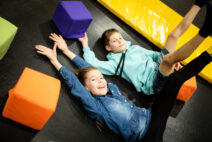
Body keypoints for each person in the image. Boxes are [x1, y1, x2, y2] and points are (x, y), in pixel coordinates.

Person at [35, 34, 212, 141]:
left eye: (100, 78)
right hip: (146, 137)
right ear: (87, 89)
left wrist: (66, 51)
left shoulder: (110, 87)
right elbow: (75, 84)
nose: (101, 81)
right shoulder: (96, 108)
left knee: (174, 80)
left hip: (151, 115)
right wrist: (55, 60)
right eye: (94, 82)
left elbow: (90, 70)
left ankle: (209, 52)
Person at [77, 1, 212, 95]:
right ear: (108, 47)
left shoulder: (134, 49)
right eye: (114, 41)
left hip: (158, 67)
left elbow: (154, 55)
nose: (119, 41)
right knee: (167, 60)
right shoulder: (114, 64)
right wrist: (85, 46)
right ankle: (205, 32)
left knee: (171, 37)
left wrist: (173, 60)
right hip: (153, 83)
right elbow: (94, 64)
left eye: (120, 38)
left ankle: (198, 4)